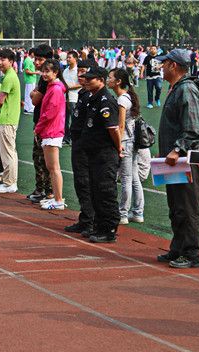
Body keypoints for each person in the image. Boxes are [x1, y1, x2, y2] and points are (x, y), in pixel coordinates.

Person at [155, 49, 199, 269]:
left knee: (186, 206)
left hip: (184, 159)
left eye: (164, 63)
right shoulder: (177, 88)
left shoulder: (186, 90)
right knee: (176, 205)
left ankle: (191, 252)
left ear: (174, 66)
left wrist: (176, 150)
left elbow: (193, 130)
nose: (161, 67)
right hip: (173, 159)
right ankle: (177, 248)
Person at [78, 66, 121, 243]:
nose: (86, 81)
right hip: (93, 152)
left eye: (91, 78)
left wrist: (119, 148)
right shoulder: (93, 98)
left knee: (105, 191)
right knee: (95, 190)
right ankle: (99, 225)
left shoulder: (106, 100)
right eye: (86, 78)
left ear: (101, 80)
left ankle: (109, 228)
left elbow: (113, 128)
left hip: (105, 153)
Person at [108, 68, 144, 225]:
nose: (107, 80)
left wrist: (118, 145)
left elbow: (120, 126)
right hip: (131, 142)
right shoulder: (127, 97)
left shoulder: (122, 100)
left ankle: (123, 213)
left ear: (118, 82)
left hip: (125, 142)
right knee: (134, 177)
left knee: (127, 179)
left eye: (110, 77)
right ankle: (137, 212)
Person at [64, 59, 95, 236]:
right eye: (80, 71)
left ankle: (91, 221)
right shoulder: (83, 94)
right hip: (78, 145)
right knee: (80, 183)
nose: (82, 75)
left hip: (87, 147)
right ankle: (85, 218)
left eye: (85, 71)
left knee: (87, 183)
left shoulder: (93, 96)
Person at [34, 59, 67, 210]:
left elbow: (50, 113)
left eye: (48, 71)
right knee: (51, 167)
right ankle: (56, 197)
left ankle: (59, 200)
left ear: (56, 72)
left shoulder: (55, 89)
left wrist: (38, 128)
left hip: (52, 132)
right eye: (43, 71)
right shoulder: (52, 87)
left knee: (54, 168)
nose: (44, 74)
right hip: (50, 131)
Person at [0, 48, 21, 194]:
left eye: (3, 59)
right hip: (9, 118)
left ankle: (10, 183)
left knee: (8, 153)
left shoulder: (9, 77)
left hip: (7, 118)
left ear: (11, 61)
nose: (0, 62)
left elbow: (0, 101)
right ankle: (9, 182)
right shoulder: (10, 76)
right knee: (9, 152)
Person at [28, 45, 54, 202]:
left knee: (45, 161)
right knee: (38, 158)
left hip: (46, 126)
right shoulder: (43, 78)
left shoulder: (48, 80)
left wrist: (34, 93)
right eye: (35, 59)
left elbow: (35, 99)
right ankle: (40, 189)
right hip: (39, 122)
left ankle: (49, 191)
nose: (37, 62)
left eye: (40, 59)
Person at [63, 51, 81, 145]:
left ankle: (75, 138)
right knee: (65, 119)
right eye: (67, 57)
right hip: (65, 98)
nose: (68, 59)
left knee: (74, 119)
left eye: (70, 57)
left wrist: (69, 87)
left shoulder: (78, 70)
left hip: (74, 98)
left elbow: (80, 84)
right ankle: (66, 138)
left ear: (75, 58)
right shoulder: (66, 70)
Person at [22, 48, 38, 114]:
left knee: (28, 94)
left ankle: (27, 108)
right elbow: (27, 71)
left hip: (31, 80)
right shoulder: (28, 60)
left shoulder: (29, 60)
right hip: (30, 80)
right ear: (32, 53)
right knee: (30, 95)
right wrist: (36, 73)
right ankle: (29, 109)